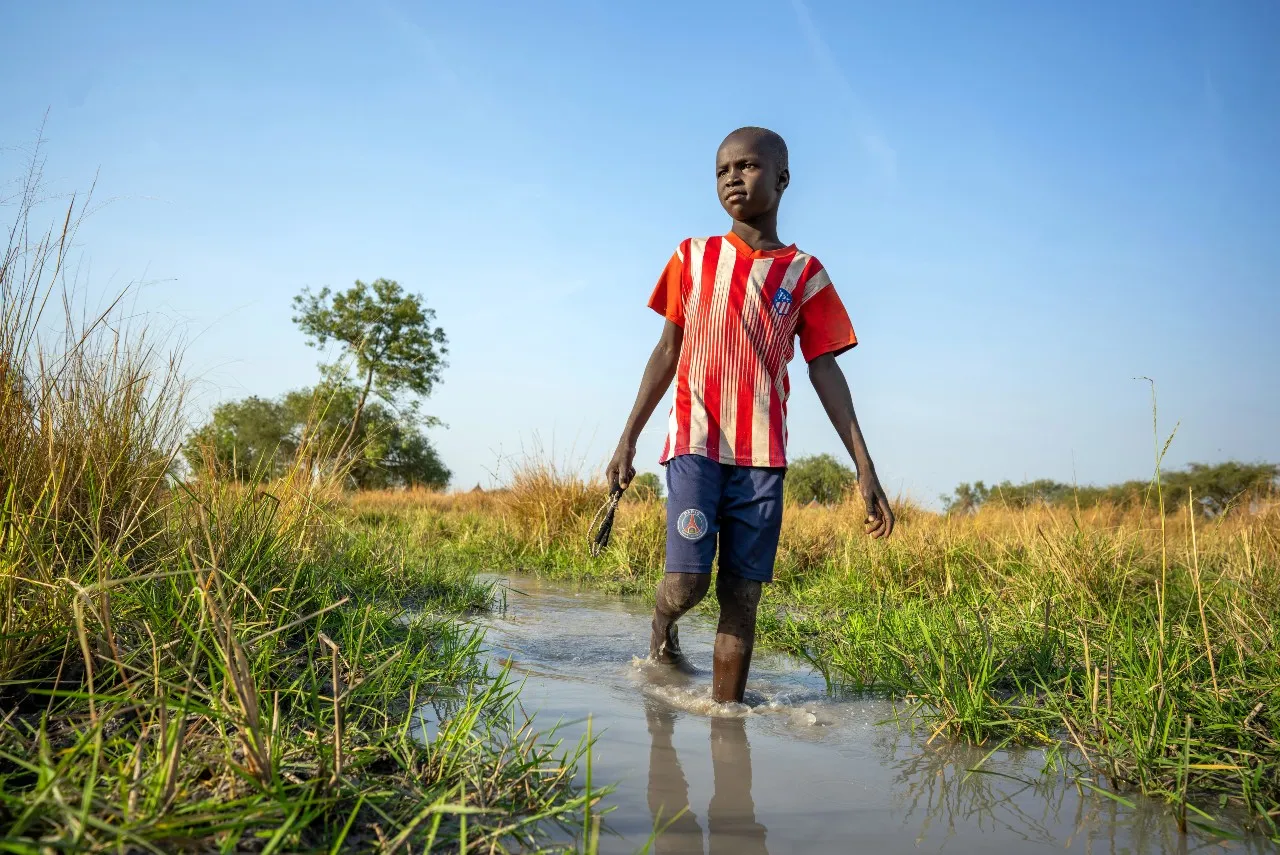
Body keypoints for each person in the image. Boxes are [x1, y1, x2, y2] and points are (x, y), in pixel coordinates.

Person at [606, 127, 894, 704]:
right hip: (694, 445)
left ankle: (726, 723)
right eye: (722, 170)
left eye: (747, 166)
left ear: (783, 178)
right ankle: (663, 626)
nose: (733, 178)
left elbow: (826, 371)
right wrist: (627, 440)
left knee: (742, 597)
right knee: (687, 582)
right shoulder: (693, 256)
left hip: (763, 458)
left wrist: (864, 467)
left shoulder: (805, 273)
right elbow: (667, 352)